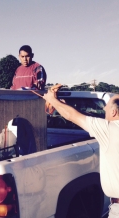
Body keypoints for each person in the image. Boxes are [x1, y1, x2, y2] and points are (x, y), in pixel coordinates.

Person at [43, 84, 119, 218]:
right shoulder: (109, 129)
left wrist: (51, 99)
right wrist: (62, 104)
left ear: (114, 112)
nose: (104, 110)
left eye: (105, 109)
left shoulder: (108, 130)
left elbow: (72, 116)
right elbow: (87, 117)